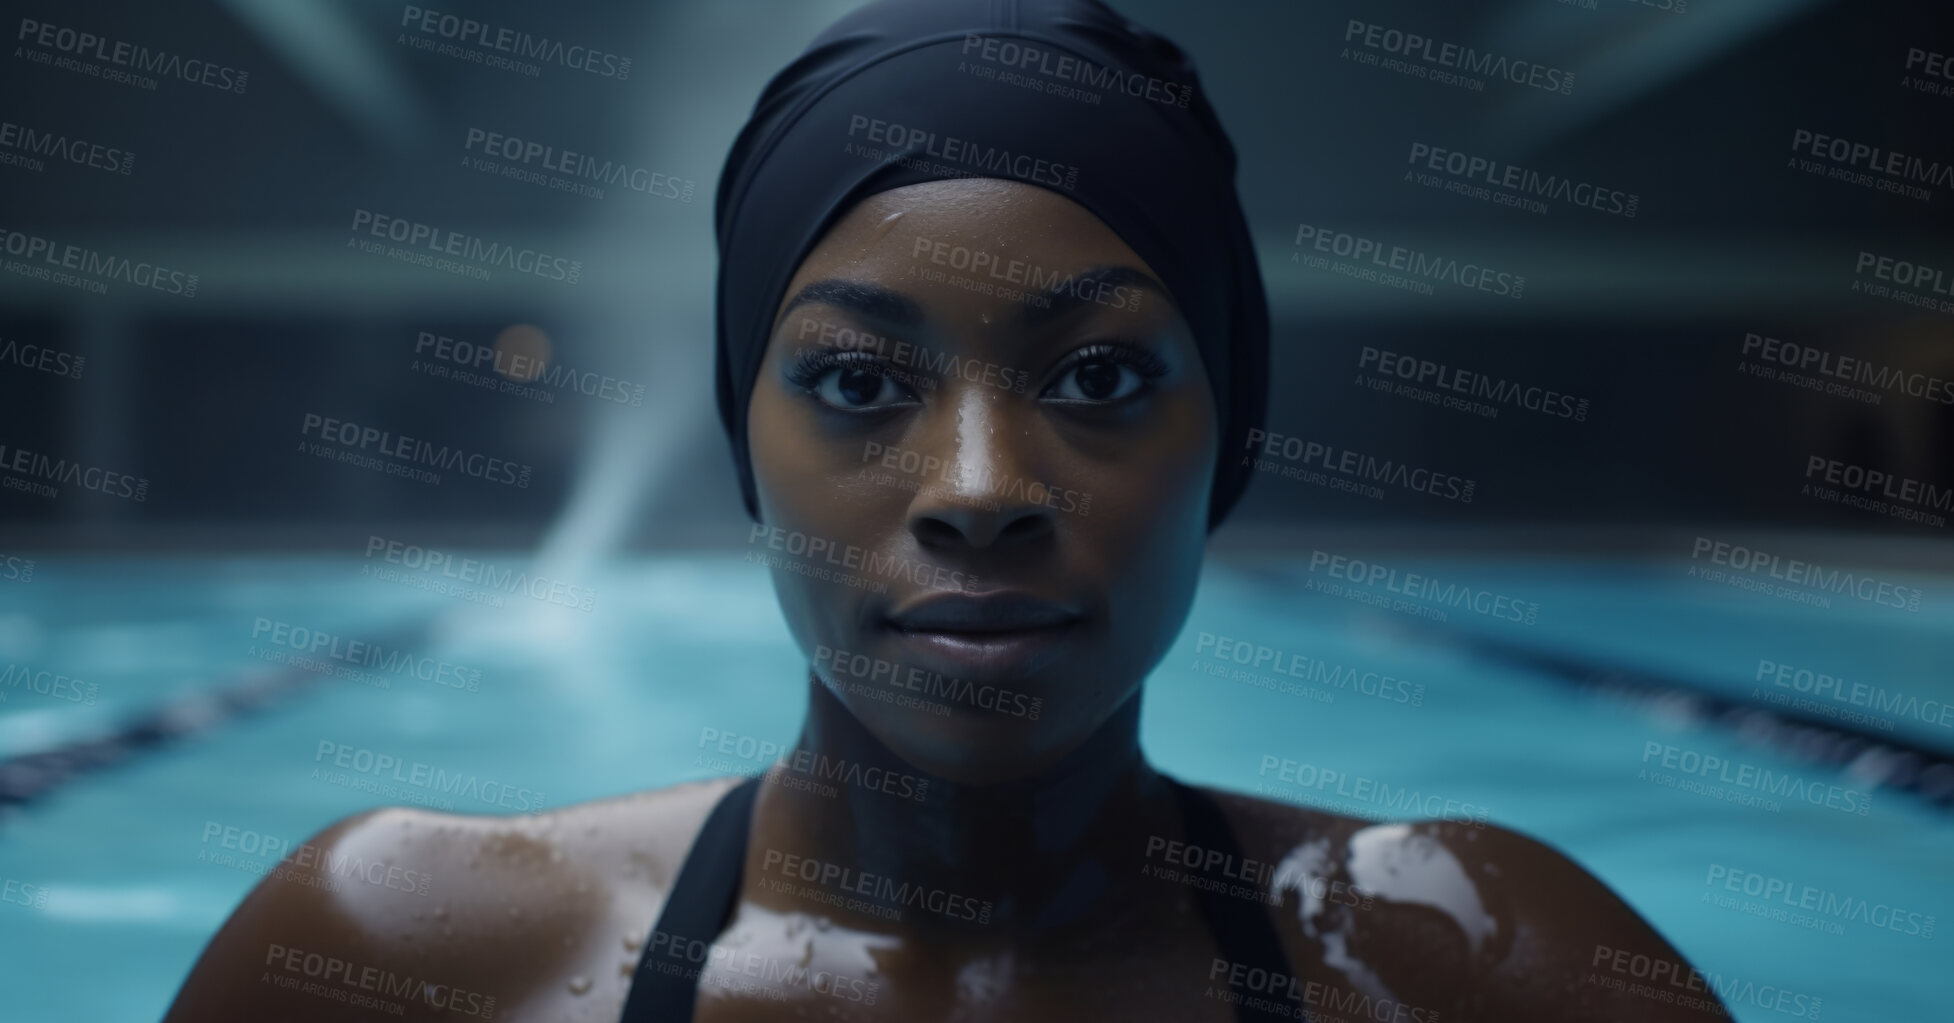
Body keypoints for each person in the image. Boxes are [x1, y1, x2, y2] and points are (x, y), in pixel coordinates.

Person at [165, 1, 1724, 1020]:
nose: (979, 490)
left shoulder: (1478, 965)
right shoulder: (397, 957)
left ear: (1229, 432)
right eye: (855, 384)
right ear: (744, 437)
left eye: (1101, 376)